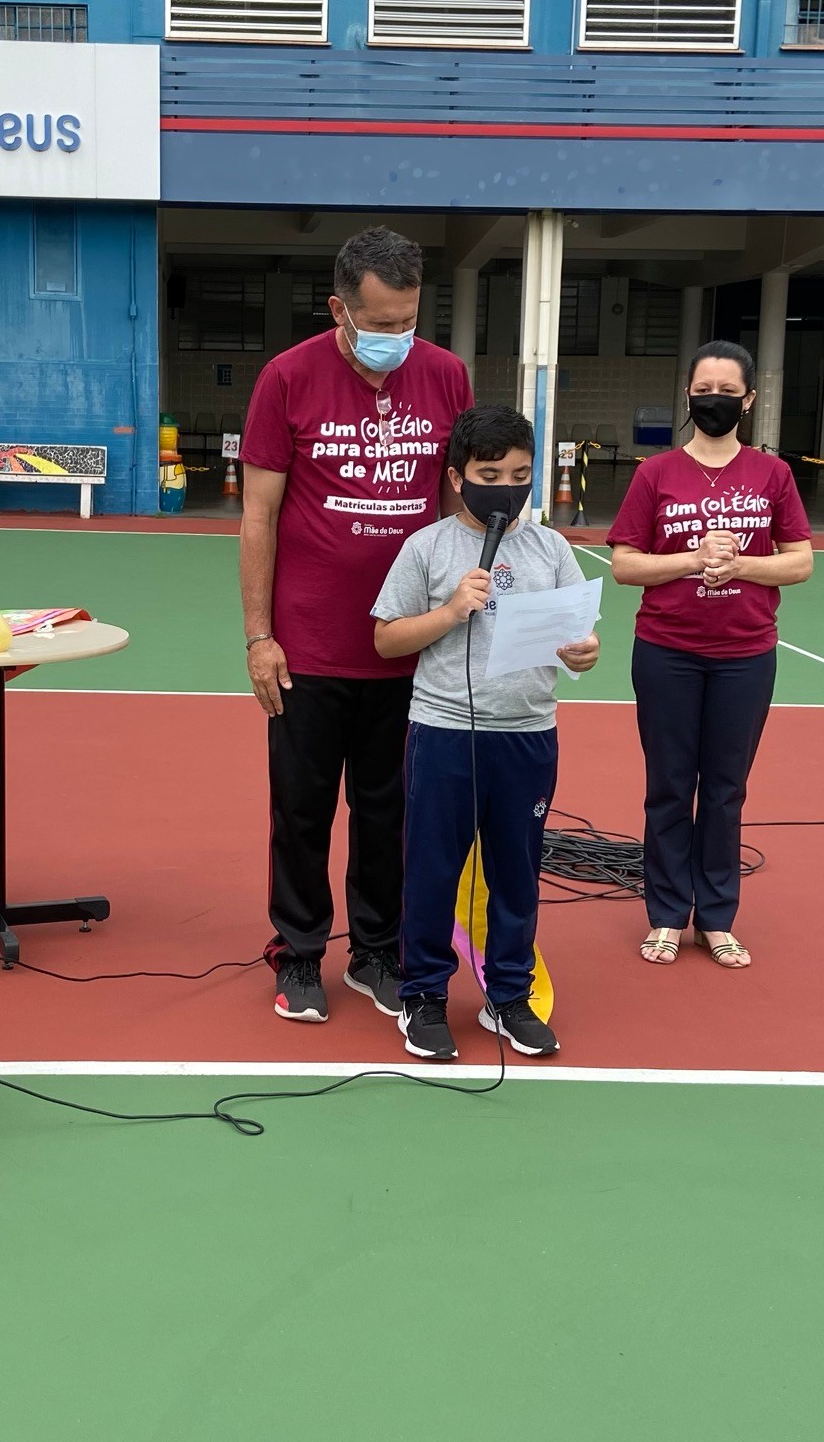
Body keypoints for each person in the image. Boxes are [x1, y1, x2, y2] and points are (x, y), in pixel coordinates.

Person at [240, 227, 473, 1023]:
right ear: (339, 308)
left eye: (407, 320)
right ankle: (299, 952)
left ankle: (377, 950)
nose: (395, 338)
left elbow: (455, 504)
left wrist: (460, 613)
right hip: (308, 646)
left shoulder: (445, 376)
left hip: (408, 643)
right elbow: (258, 515)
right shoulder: (286, 378)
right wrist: (259, 636)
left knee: (390, 812)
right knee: (301, 811)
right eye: (379, 324)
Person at [371, 404, 600, 1061]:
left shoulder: (551, 549)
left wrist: (583, 652)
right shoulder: (427, 548)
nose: (506, 488)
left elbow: (577, 639)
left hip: (527, 733)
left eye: (520, 476)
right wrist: (449, 611)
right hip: (445, 732)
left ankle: (508, 994)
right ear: (457, 477)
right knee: (433, 869)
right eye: (490, 475)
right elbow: (386, 638)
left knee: (516, 872)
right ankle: (423, 994)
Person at [606, 340, 813, 968]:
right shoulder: (655, 474)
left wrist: (742, 565)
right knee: (669, 786)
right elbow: (625, 565)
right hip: (667, 651)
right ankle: (667, 914)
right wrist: (693, 560)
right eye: (704, 391)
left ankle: (717, 917)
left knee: (725, 790)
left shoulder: (772, 475)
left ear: (748, 400)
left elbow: (800, 562)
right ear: (688, 394)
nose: (714, 400)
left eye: (727, 392)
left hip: (745, 655)